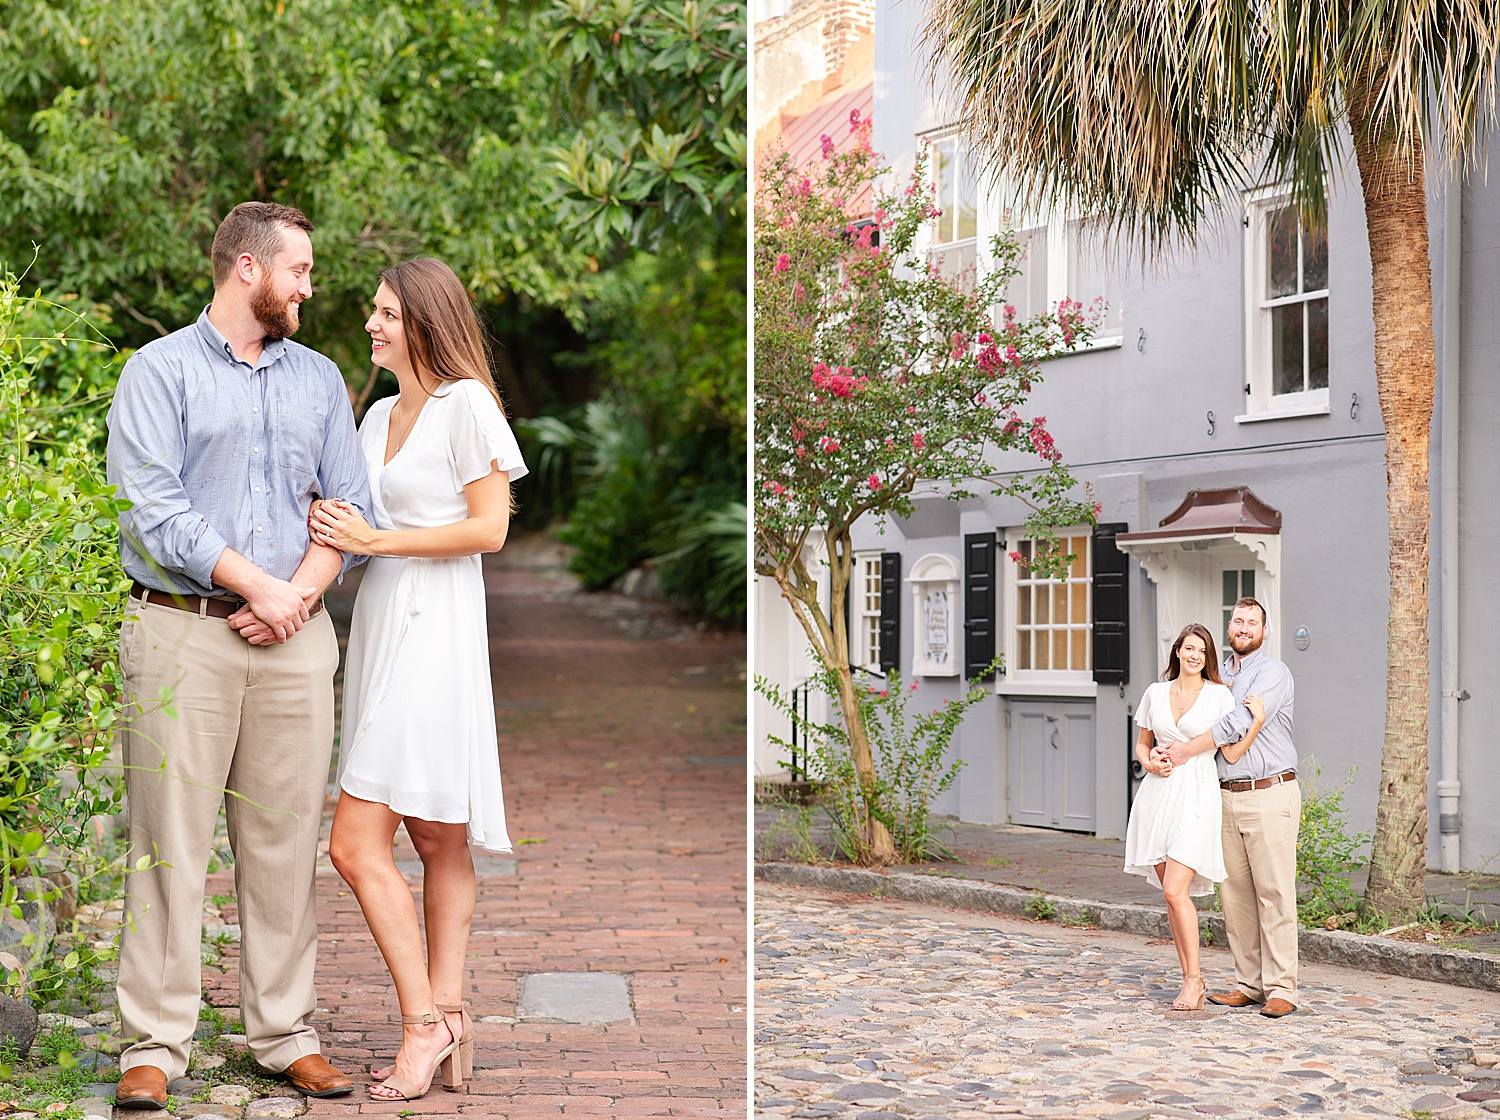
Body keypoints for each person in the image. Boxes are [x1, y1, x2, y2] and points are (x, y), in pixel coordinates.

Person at [106, 202, 371, 1108]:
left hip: (296, 640)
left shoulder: (320, 378)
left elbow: (346, 509)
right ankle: (153, 1042)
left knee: (285, 842)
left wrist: (294, 594)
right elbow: (155, 508)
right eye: (299, 270)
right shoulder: (159, 371)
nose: (310, 287)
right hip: (181, 631)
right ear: (248, 270)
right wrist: (261, 587)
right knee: (169, 845)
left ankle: (285, 1032)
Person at [312, 258, 526, 1102]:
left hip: (437, 631)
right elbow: (352, 521)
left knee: (354, 843)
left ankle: (422, 1025)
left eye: (388, 313)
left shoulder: (464, 405)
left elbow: (490, 529)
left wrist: (376, 543)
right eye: (374, 310)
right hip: (381, 628)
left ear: (427, 323)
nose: (372, 323)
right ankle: (449, 1010)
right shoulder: (374, 418)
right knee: (435, 838)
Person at [1157, 597, 1300, 1018]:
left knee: (1274, 892)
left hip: (1268, 792)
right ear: (1229, 626)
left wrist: (1183, 751)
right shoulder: (1216, 674)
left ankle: (1282, 988)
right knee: (1234, 896)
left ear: (1263, 630)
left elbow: (1233, 724)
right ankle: (1248, 984)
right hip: (1221, 794)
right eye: (1237, 620)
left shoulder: (1272, 672)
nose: (1243, 627)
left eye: (1252, 622)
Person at [1124, 623, 1265, 1011]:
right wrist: (1148, 764)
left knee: (1174, 889)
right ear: (1177, 652)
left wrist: (1254, 723)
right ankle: (1192, 978)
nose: (1195, 656)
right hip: (1156, 796)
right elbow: (1142, 744)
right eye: (1189, 649)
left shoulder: (1220, 695)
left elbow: (1231, 753)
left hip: (1199, 793)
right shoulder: (1155, 692)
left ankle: (1193, 980)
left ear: (1208, 659)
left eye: (1202, 652)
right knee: (1172, 898)